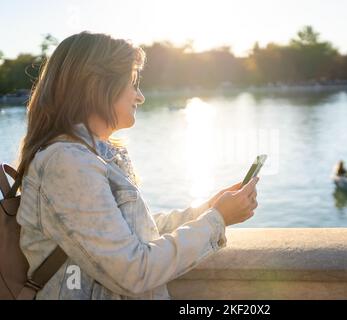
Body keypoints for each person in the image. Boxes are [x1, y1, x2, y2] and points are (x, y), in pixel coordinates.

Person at [14, 32, 259, 300]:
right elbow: (135, 271)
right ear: (96, 87)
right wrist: (217, 220)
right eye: (132, 83)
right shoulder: (68, 163)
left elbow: (133, 234)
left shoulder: (88, 156)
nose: (140, 96)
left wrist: (209, 209)